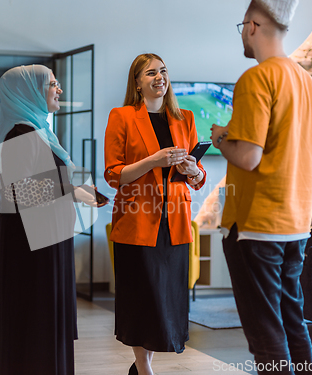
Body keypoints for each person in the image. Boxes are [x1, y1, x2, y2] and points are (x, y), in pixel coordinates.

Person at [210, 0, 312, 373]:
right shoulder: (308, 83)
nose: (242, 33)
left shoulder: (256, 79)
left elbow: (249, 157)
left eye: (242, 26)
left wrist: (220, 138)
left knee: (265, 331)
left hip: (257, 225)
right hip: (296, 224)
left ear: (253, 26)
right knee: (293, 320)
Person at [104, 53, 207, 375]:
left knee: (166, 300)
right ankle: (144, 368)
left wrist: (192, 169)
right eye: (151, 73)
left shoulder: (185, 118)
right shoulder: (121, 116)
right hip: (136, 222)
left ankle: (141, 366)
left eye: (163, 71)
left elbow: (198, 177)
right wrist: (153, 160)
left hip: (175, 222)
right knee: (142, 298)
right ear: (137, 83)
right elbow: (113, 174)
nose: (159, 77)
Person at [0, 64, 97, 375]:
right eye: (52, 83)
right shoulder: (19, 135)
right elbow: (18, 193)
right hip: (32, 248)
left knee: (48, 319)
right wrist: (72, 191)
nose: (59, 89)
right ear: (28, 92)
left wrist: (75, 191)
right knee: (36, 319)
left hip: (49, 239)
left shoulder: (40, 132)